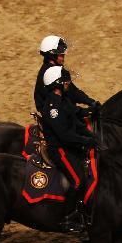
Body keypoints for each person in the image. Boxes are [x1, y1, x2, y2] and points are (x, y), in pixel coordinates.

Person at [39, 66, 97, 231]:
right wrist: (85, 141)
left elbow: (75, 115)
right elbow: (64, 135)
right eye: (65, 80)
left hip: (69, 145)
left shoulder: (63, 100)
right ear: (57, 83)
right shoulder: (53, 108)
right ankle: (70, 216)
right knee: (78, 180)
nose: (68, 83)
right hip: (60, 150)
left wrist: (89, 113)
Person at [34, 35, 100, 114]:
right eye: (61, 55)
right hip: (58, 115)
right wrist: (89, 107)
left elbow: (73, 91)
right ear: (52, 55)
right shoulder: (53, 74)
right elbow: (70, 96)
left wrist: (91, 102)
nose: (64, 57)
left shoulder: (48, 69)